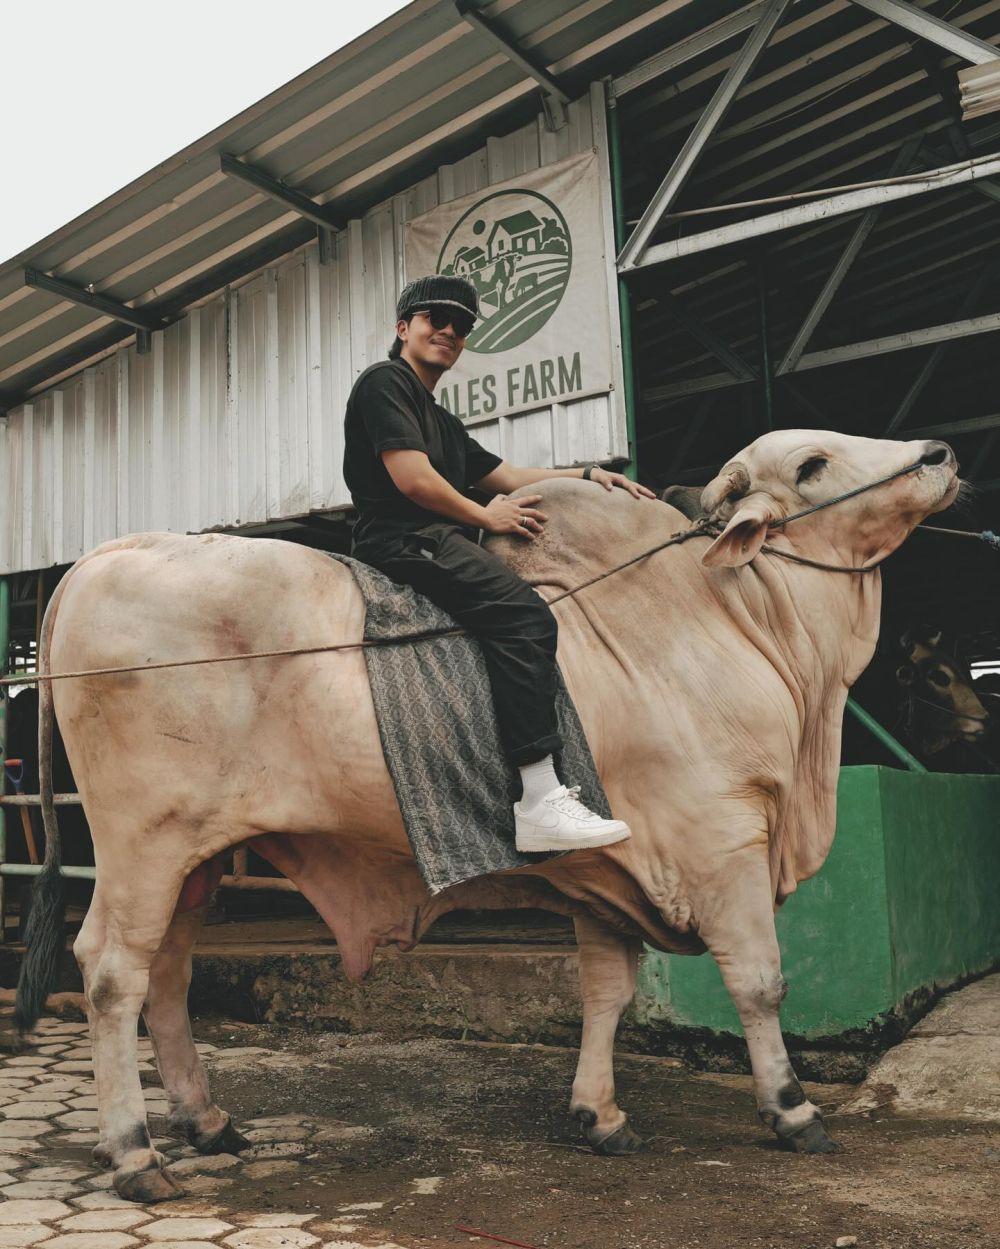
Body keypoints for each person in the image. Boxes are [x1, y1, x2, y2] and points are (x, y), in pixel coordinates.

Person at [343, 275, 654, 852]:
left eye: (461, 326)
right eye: (436, 318)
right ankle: (538, 797)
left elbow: (509, 478)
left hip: (433, 534)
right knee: (526, 619)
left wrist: (587, 476)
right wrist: (487, 517)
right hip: (404, 537)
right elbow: (412, 479)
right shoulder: (385, 383)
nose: (449, 332)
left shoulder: (443, 420)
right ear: (403, 326)